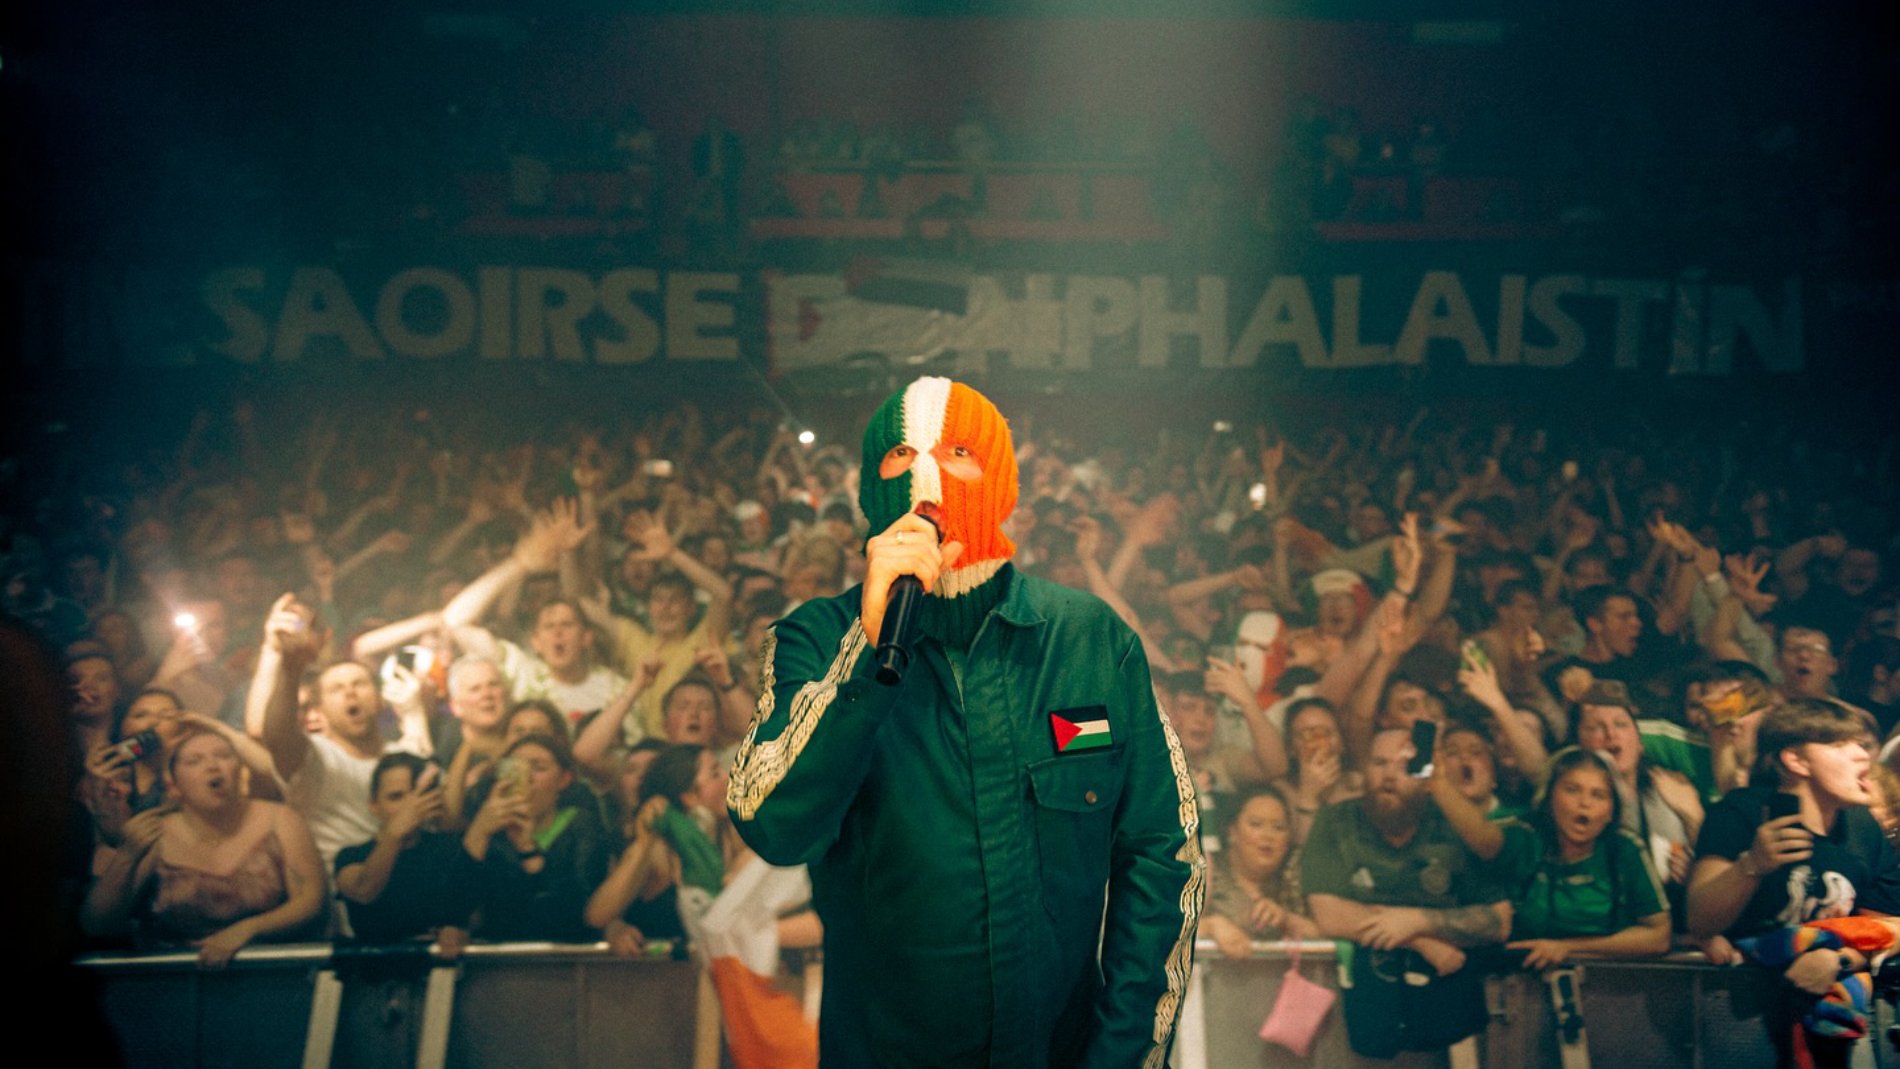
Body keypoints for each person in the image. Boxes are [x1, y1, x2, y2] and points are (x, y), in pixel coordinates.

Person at [727, 376, 1204, 1068]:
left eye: (957, 452)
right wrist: (866, 652)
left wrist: (1126, 1054)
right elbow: (768, 820)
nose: (925, 479)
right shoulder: (815, 638)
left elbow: (1166, 855)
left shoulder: (1093, 641)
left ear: (1001, 480)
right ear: (868, 490)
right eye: (900, 455)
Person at [1688, 698, 1900, 1066]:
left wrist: (1838, 960)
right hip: (1741, 1018)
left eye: (1860, 743)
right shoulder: (1742, 811)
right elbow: (1700, 920)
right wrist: (1752, 865)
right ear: (1795, 760)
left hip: (1825, 1025)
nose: (1861, 755)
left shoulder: (1864, 829)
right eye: (1840, 744)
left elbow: (1888, 927)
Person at [1301, 727, 1511, 1060]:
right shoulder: (1336, 822)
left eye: (1404, 766)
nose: (1389, 775)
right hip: (1361, 1019)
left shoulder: (1455, 825)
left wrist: (1416, 921)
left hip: (1450, 1017)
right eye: (1379, 763)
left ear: (1427, 775)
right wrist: (1420, 940)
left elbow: (1498, 921)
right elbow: (1328, 913)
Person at [80, 728, 325, 966]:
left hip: (269, 971)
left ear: (240, 770)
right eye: (194, 761)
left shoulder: (279, 818)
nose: (213, 766)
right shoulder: (155, 833)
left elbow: (309, 899)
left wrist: (247, 929)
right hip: (173, 978)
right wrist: (127, 854)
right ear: (173, 783)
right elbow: (96, 924)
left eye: (223, 755)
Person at [462, 732, 608, 942]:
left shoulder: (581, 825)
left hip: (564, 954)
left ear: (564, 779)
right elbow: (458, 911)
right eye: (514, 768)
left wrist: (527, 848)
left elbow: (576, 915)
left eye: (538, 768)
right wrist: (479, 831)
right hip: (498, 954)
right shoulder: (488, 828)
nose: (526, 777)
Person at [334, 753, 475, 947]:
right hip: (375, 964)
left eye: (416, 795)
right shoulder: (352, 855)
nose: (410, 806)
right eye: (396, 797)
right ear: (373, 805)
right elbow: (364, 890)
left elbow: (475, 912)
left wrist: (459, 931)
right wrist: (395, 834)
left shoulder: (449, 849)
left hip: (441, 962)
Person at [1199, 785, 1319, 958]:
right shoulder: (1205, 873)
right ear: (1232, 831)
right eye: (1256, 824)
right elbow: (1166, 930)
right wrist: (1210, 927)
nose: (1267, 836)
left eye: (1278, 827)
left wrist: (1286, 920)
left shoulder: (1294, 875)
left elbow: (1326, 932)